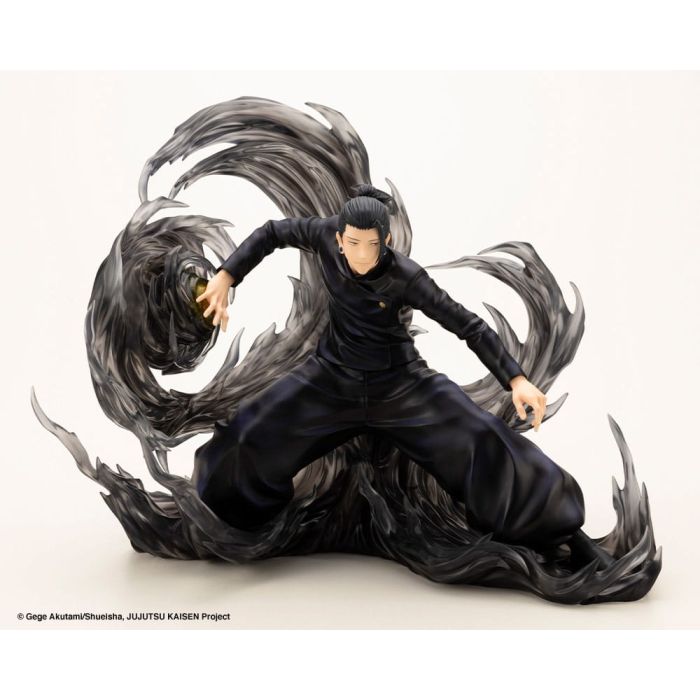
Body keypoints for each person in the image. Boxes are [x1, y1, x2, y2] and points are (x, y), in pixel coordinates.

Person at [191, 184, 614, 570]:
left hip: (399, 385)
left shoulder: (405, 275)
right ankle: (239, 526)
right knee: (244, 440)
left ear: (387, 242)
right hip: (330, 379)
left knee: (482, 438)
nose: (361, 256)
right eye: (352, 244)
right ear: (338, 238)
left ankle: (562, 533)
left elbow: (467, 325)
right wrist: (227, 275)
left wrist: (516, 380)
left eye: (372, 246)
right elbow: (271, 233)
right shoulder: (322, 235)